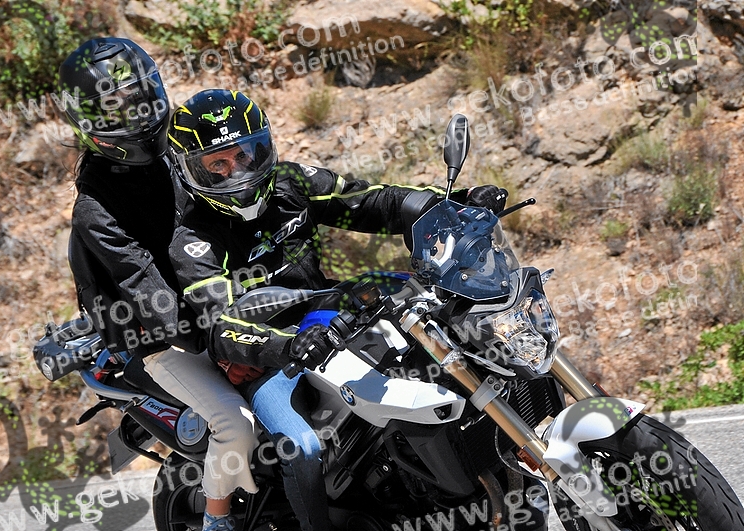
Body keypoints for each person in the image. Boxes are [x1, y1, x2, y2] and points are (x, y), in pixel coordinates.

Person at [166, 88, 507, 531]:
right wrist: (287, 345)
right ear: (192, 170)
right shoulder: (193, 239)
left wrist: (455, 202)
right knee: (303, 446)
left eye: (245, 154)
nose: (238, 172)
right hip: (270, 354)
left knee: (440, 338)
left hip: (331, 316)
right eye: (218, 164)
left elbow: (372, 203)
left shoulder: (291, 183)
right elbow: (218, 324)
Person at [59, 39, 259, 531]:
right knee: (236, 425)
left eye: (140, 93)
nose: (134, 109)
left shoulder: (179, 153)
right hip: (163, 341)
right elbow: (152, 296)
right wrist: (226, 345)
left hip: (227, 308)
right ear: (88, 118)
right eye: (114, 102)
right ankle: (216, 522)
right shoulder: (95, 211)